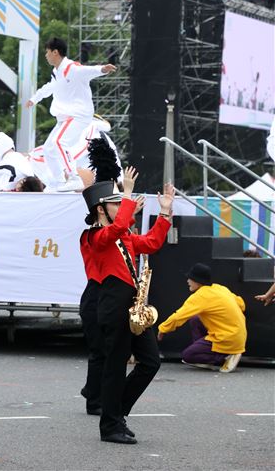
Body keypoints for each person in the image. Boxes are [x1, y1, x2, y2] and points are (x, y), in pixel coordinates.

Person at [80, 166, 173, 444]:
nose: (122, 207)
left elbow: (153, 242)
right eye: (116, 203)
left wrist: (165, 212)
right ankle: (110, 426)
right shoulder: (92, 237)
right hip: (110, 304)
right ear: (100, 209)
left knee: (151, 362)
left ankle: (116, 411)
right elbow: (118, 226)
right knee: (114, 365)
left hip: (131, 305)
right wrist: (128, 192)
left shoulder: (123, 236)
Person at [24, 38, 117, 191]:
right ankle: (59, 182)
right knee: (48, 149)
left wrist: (103, 69)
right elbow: (50, 87)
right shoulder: (57, 72)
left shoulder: (72, 68)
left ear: (55, 52)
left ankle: (74, 177)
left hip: (78, 115)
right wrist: (34, 99)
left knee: (60, 142)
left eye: (47, 52)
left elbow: (88, 70)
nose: (46, 56)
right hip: (66, 116)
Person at [157, 263, 246, 373]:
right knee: (195, 319)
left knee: (188, 356)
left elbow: (179, 316)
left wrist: (163, 329)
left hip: (227, 339)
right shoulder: (220, 288)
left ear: (197, 281)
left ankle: (226, 356)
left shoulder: (201, 296)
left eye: (190, 278)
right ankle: (211, 352)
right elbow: (241, 304)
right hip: (238, 335)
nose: (187, 281)